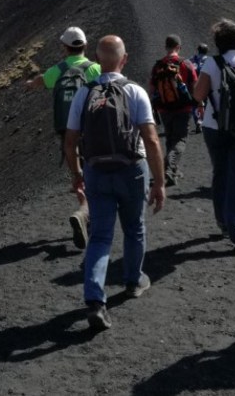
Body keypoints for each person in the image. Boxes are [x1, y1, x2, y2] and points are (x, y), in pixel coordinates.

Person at [64, 35, 166, 330]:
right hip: (132, 170)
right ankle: (133, 281)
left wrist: (76, 174)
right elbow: (151, 139)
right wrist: (159, 182)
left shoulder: (85, 94)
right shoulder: (135, 92)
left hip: (96, 171)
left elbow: (70, 142)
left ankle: (95, 300)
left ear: (97, 61)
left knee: (100, 237)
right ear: (125, 59)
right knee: (134, 228)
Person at [26, 26, 101, 249]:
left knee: (78, 175)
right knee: (94, 172)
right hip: (91, 128)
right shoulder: (93, 69)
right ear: (85, 46)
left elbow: (41, 81)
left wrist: (30, 83)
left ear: (64, 48)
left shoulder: (57, 70)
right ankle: (86, 215)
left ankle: (84, 208)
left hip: (68, 131)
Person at [192, 19, 235, 255]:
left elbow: (198, 95)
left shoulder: (212, 63)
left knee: (220, 173)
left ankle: (223, 223)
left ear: (218, 42)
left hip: (216, 128)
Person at [149, 34, 198, 186]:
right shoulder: (186, 64)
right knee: (180, 140)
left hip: (164, 109)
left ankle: (171, 169)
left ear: (166, 47)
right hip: (183, 108)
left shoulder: (158, 65)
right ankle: (170, 170)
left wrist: (154, 105)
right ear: (178, 47)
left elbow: (152, 88)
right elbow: (195, 86)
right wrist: (197, 104)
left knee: (170, 137)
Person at [188, 43, 210, 133]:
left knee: (194, 104)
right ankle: (203, 121)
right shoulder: (209, 60)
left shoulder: (191, 59)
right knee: (205, 103)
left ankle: (197, 120)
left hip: (193, 85)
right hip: (205, 85)